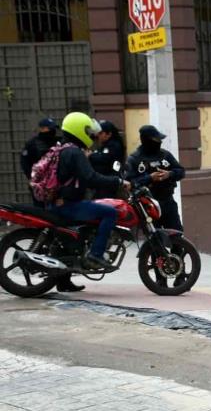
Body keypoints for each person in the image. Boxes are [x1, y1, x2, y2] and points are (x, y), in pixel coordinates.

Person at [50, 112, 131, 270]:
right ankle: (96, 255)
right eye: (87, 131)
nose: (91, 135)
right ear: (78, 130)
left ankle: (64, 280)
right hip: (69, 204)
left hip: (61, 202)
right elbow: (91, 178)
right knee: (110, 213)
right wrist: (118, 181)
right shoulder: (75, 152)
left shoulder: (62, 148)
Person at [21, 118, 84, 292]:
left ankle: (64, 281)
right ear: (42, 128)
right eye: (50, 128)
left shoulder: (58, 146)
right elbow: (27, 167)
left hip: (55, 194)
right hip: (45, 195)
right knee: (53, 235)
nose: (53, 131)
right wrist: (39, 185)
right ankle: (49, 268)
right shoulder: (33, 144)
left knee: (61, 236)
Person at [124, 125, 185, 231]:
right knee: (155, 241)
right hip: (148, 205)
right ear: (146, 140)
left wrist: (169, 174)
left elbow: (181, 171)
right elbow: (129, 183)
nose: (159, 142)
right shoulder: (134, 159)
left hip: (168, 201)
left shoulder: (165, 155)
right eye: (156, 139)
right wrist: (150, 178)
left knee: (177, 235)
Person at [89, 120, 126, 199]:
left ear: (109, 134)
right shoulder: (105, 145)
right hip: (104, 182)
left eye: (101, 133)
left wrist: (90, 155)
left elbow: (105, 158)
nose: (98, 135)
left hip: (109, 183)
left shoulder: (114, 145)